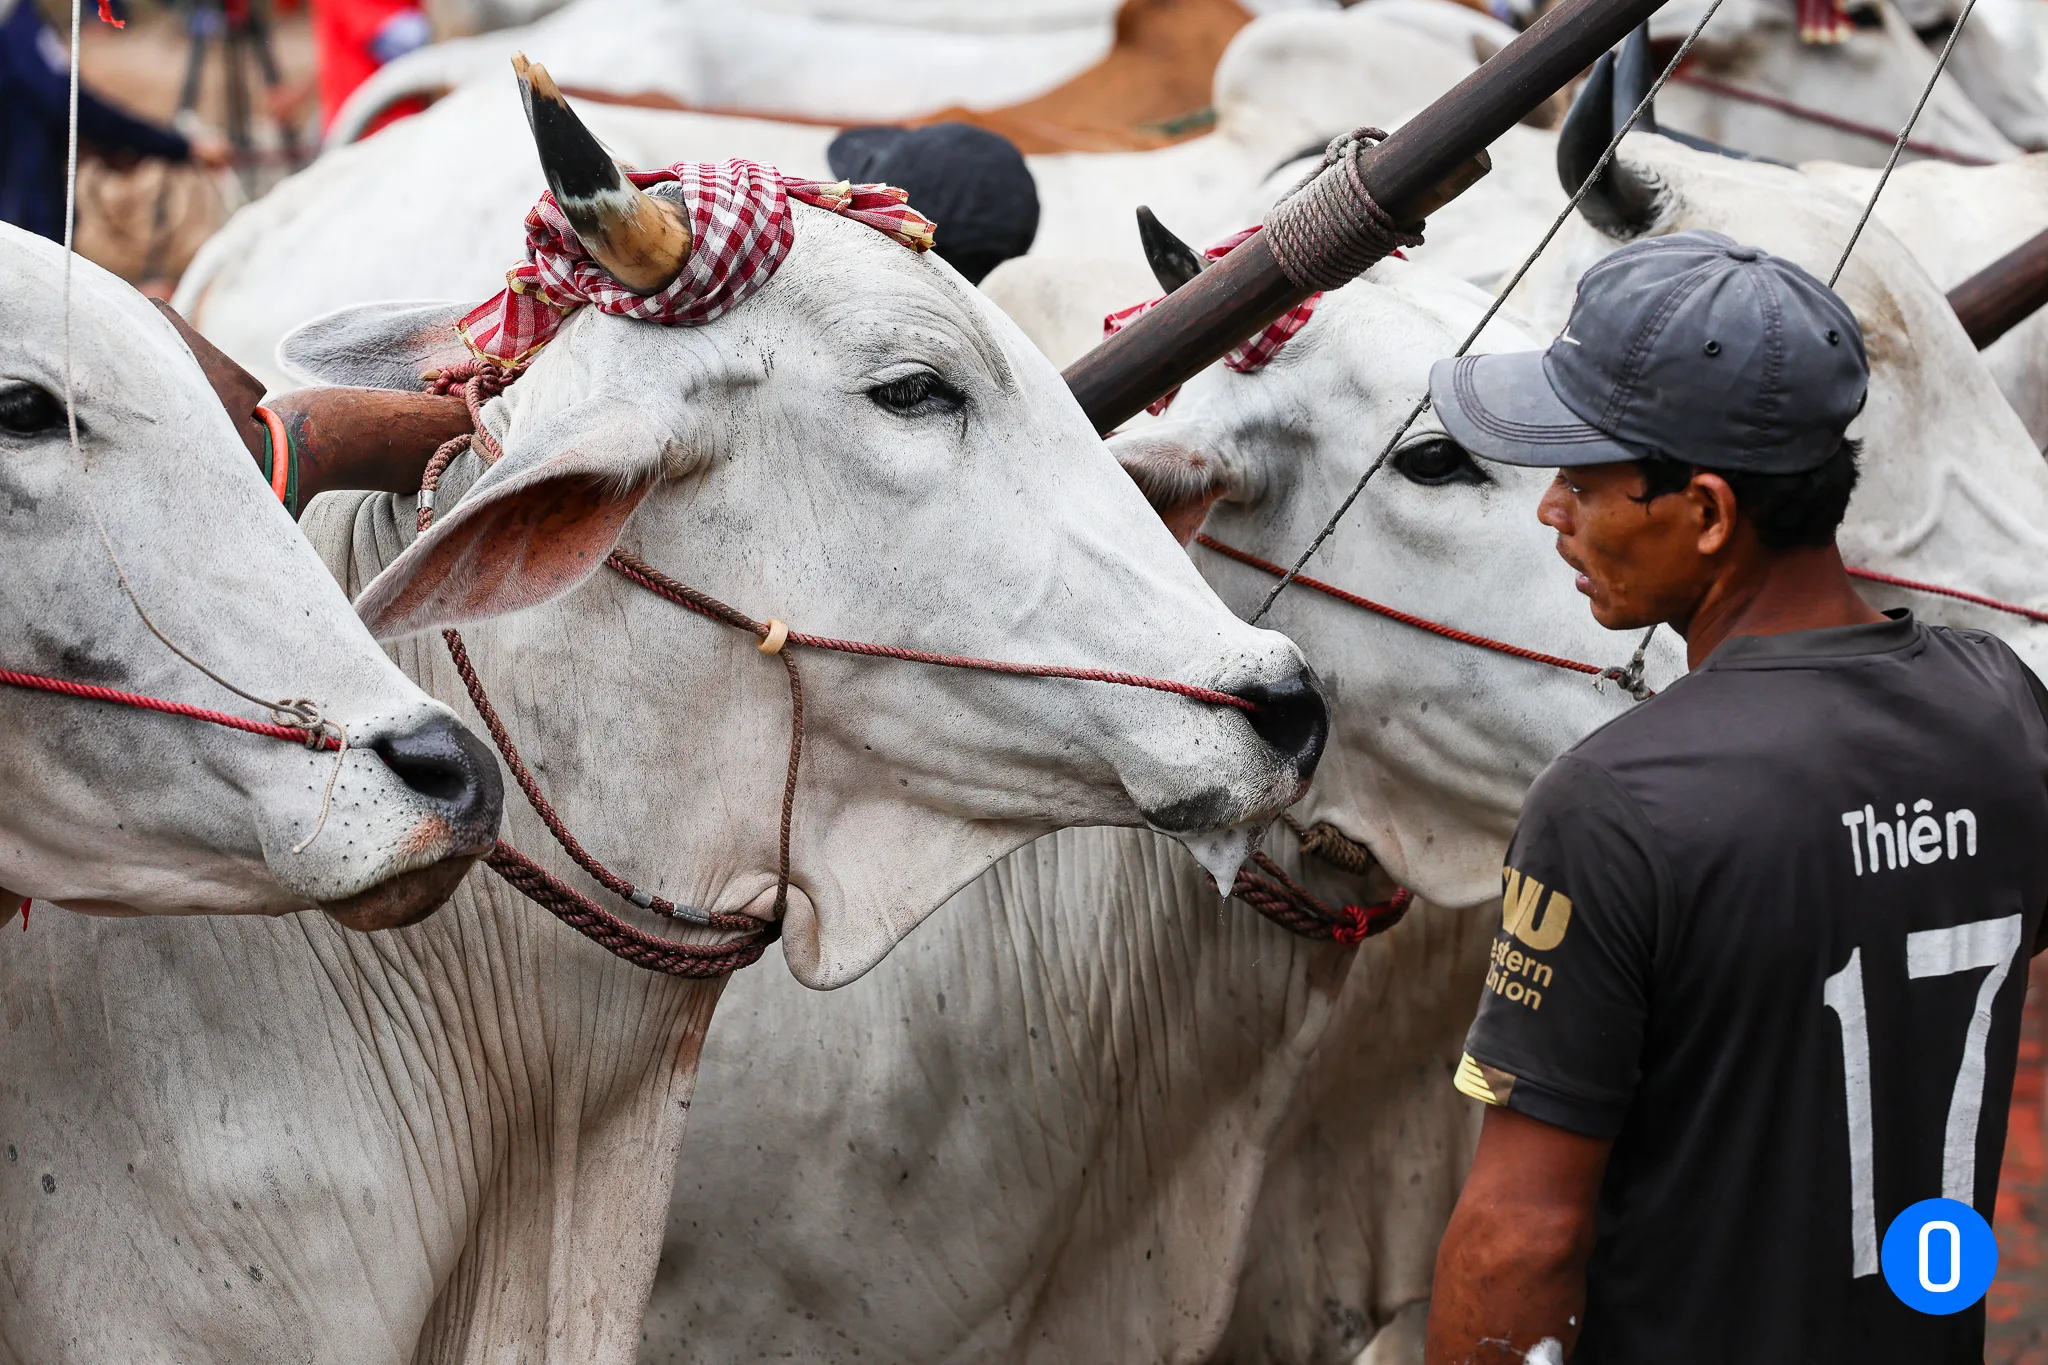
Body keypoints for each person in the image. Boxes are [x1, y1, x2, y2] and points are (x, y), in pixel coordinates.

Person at [1420, 230, 2048, 1362]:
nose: (1548, 512)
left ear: (1707, 513)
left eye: (1581, 479)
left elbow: (1520, 1237)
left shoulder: (1612, 805)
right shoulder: (2002, 713)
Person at [0, 0, 230, 243]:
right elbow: (66, 102)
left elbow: (37, 103)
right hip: (26, 218)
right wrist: (177, 147)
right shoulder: (12, 19)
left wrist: (106, 146)